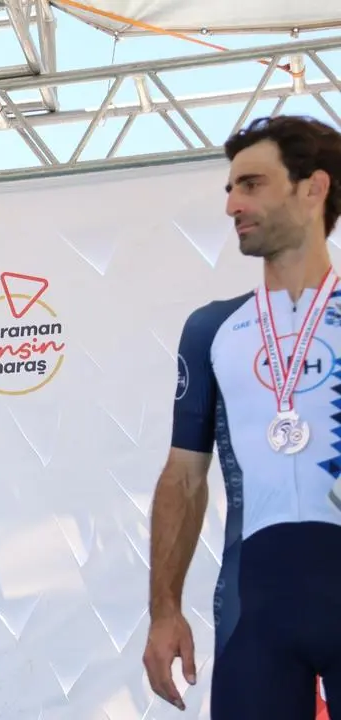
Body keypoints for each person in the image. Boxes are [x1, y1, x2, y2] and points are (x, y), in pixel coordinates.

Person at [144, 114, 341, 718]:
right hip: (256, 610)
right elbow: (183, 477)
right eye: (230, 188)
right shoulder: (213, 329)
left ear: (313, 188)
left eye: (251, 184)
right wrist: (163, 611)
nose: (232, 204)